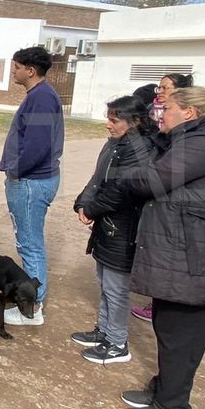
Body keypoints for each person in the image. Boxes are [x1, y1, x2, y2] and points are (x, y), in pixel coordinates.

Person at [102, 87, 205, 409]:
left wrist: (129, 168)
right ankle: (163, 392)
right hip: (186, 253)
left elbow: (152, 180)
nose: (160, 114)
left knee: (182, 336)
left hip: (202, 258)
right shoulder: (187, 138)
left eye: (166, 108)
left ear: (189, 113)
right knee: (169, 327)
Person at [69, 96, 158, 365]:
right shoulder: (116, 144)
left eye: (114, 120)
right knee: (104, 282)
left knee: (117, 288)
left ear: (136, 121)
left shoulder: (140, 149)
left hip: (124, 228)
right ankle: (104, 331)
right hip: (108, 226)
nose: (108, 125)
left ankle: (117, 342)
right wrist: (82, 203)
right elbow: (98, 179)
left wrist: (93, 209)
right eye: (108, 118)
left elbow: (121, 191)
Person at [0, 45, 63, 326]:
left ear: (30, 70)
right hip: (32, 180)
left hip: (31, 182)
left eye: (16, 67)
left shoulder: (42, 98)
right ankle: (30, 299)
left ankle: (32, 307)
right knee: (29, 242)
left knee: (30, 245)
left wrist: (15, 171)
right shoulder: (39, 95)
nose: (13, 71)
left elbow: (36, 146)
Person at [132, 72, 192, 322]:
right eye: (159, 87)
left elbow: (156, 178)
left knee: (171, 256)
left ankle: (162, 304)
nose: (160, 91)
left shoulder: (190, 138)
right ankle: (156, 301)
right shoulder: (160, 121)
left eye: (165, 88)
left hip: (175, 207)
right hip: (159, 203)